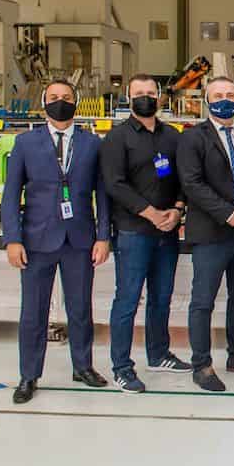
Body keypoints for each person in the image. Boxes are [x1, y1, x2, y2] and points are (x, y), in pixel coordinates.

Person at [2, 79, 111, 404]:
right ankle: (29, 374)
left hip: (79, 239)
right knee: (33, 312)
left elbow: (102, 194)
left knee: (80, 309)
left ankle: (83, 366)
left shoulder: (92, 143)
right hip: (36, 241)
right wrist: (12, 239)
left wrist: (103, 236)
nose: (60, 102)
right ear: (43, 102)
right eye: (53, 97)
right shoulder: (24, 143)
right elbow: (10, 196)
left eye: (66, 97)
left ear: (75, 102)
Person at [101, 74, 190, 393]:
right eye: (139, 93)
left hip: (167, 231)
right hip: (134, 230)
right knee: (127, 299)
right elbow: (115, 184)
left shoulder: (173, 136)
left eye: (151, 92)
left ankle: (158, 352)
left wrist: (177, 209)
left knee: (162, 296)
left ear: (160, 97)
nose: (145, 97)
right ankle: (122, 367)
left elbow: (183, 177)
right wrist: (151, 213)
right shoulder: (117, 137)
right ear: (128, 96)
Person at [176, 76, 234, 392]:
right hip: (212, 232)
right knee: (203, 301)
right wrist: (229, 214)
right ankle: (201, 364)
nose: (225, 99)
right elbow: (192, 184)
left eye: (230, 94)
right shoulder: (192, 138)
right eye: (218, 94)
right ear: (206, 100)